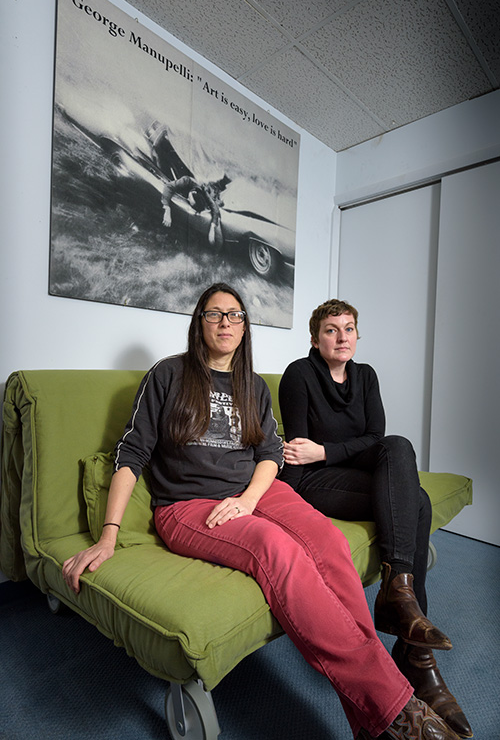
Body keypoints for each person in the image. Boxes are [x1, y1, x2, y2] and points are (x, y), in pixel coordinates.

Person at [62, 283, 461, 740]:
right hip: (189, 507)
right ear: (200, 323)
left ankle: (370, 718)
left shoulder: (251, 384)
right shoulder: (168, 374)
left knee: (328, 543)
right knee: (280, 551)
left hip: (251, 494)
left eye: (235, 315)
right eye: (215, 314)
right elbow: (131, 454)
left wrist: (248, 500)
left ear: (244, 326)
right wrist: (109, 533)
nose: (226, 323)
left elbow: (271, 453)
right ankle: (399, 712)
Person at [278, 298, 472, 739]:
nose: (341, 336)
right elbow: (300, 452)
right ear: (315, 338)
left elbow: (376, 439)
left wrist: (328, 449)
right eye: (331, 329)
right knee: (416, 503)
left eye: (349, 328)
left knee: (399, 448)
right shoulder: (299, 375)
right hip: (311, 482)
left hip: (338, 465)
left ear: (357, 336)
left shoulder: (366, 376)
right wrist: (325, 454)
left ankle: (402, 610)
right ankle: (416, 656)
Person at [161, 174, 230, 246]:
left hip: (210, 188)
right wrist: (167, 209)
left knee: (218, 191)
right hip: (194, 182)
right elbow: (168, 186)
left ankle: (224, 180)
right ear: (193, 192)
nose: (188, 199)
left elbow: (215, 209)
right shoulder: (187, 181)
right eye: (190, 200)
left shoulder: (205, 194)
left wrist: (212, 228)